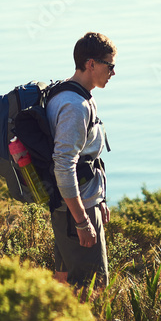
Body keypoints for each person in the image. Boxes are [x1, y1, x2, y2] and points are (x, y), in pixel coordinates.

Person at [46, 31, 116, 290]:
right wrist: (83, 221)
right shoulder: (75, 106)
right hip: (77, 210)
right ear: (91, 64)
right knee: (92, 288)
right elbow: (64, 166)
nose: (113, 72)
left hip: (77, 205)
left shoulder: (72, 93)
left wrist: (101, 200)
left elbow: (86, 158)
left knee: (64, 282)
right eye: (110, 65)